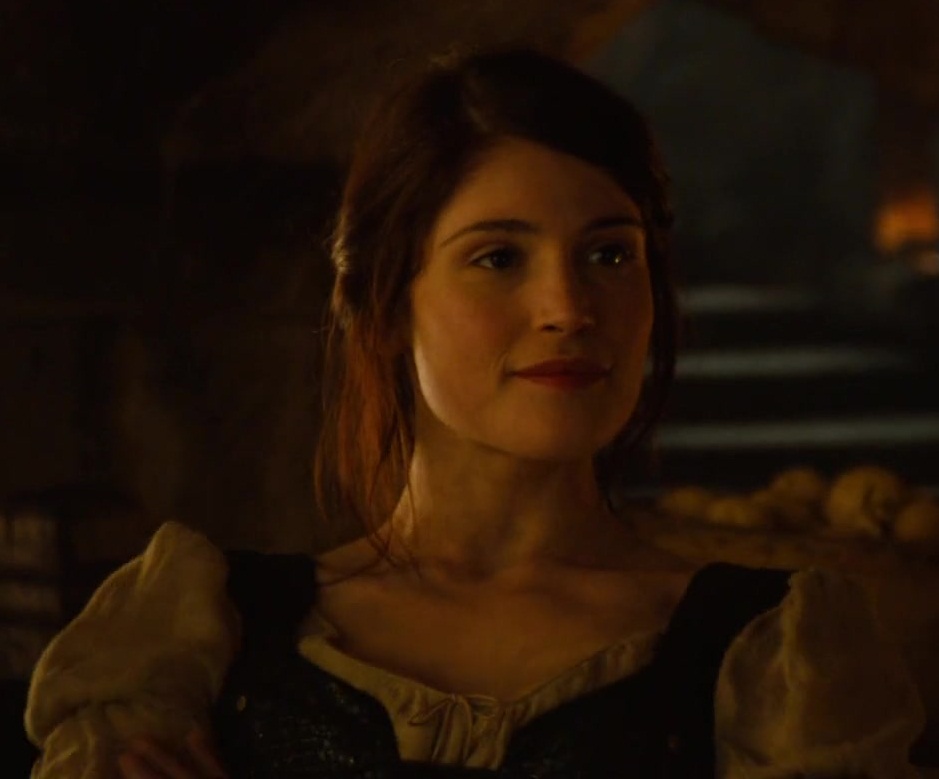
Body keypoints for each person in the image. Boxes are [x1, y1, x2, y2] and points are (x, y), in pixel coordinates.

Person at [24, 48, 926, 778]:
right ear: (381, 304)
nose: (567, 308)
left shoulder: (768, 651)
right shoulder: (202, 634)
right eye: (497, 257)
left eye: (609, 255)